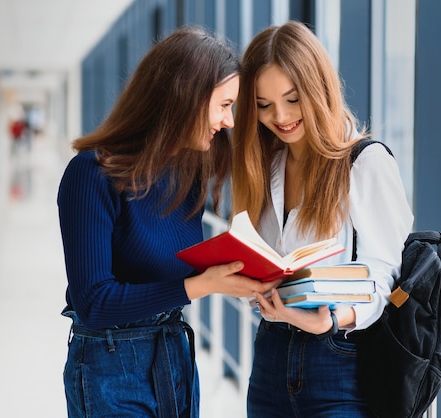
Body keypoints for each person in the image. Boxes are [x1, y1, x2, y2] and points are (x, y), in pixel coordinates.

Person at [57, 26, 277, 418]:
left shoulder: (186, 173)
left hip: (173, 354)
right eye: (224, 105)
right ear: (184, 97)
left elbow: (168, 272)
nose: (228, 121)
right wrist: (202, 284)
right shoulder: (91, 174)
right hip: (111, 365)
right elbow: (93, 302)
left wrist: (237, 274)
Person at [230, 21, 414, 417]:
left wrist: (330, 321)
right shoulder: (266, 164)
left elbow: (388, 276)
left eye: (292, 99)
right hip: (270, 357)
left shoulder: (365, 163)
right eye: (263, 105)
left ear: (318, 88)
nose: (280, 116)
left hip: (339, 359)